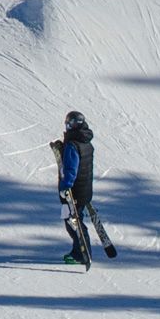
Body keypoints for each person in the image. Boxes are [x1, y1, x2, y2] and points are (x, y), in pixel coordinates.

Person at [53, 110, 105, 267]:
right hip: (85, 190)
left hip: (73, 192)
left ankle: (80, 253)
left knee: (73, 222)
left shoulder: (72, 145)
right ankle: (79, 251)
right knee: (73, 219)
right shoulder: (86, 142)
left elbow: (71, 169)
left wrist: (66, 187)